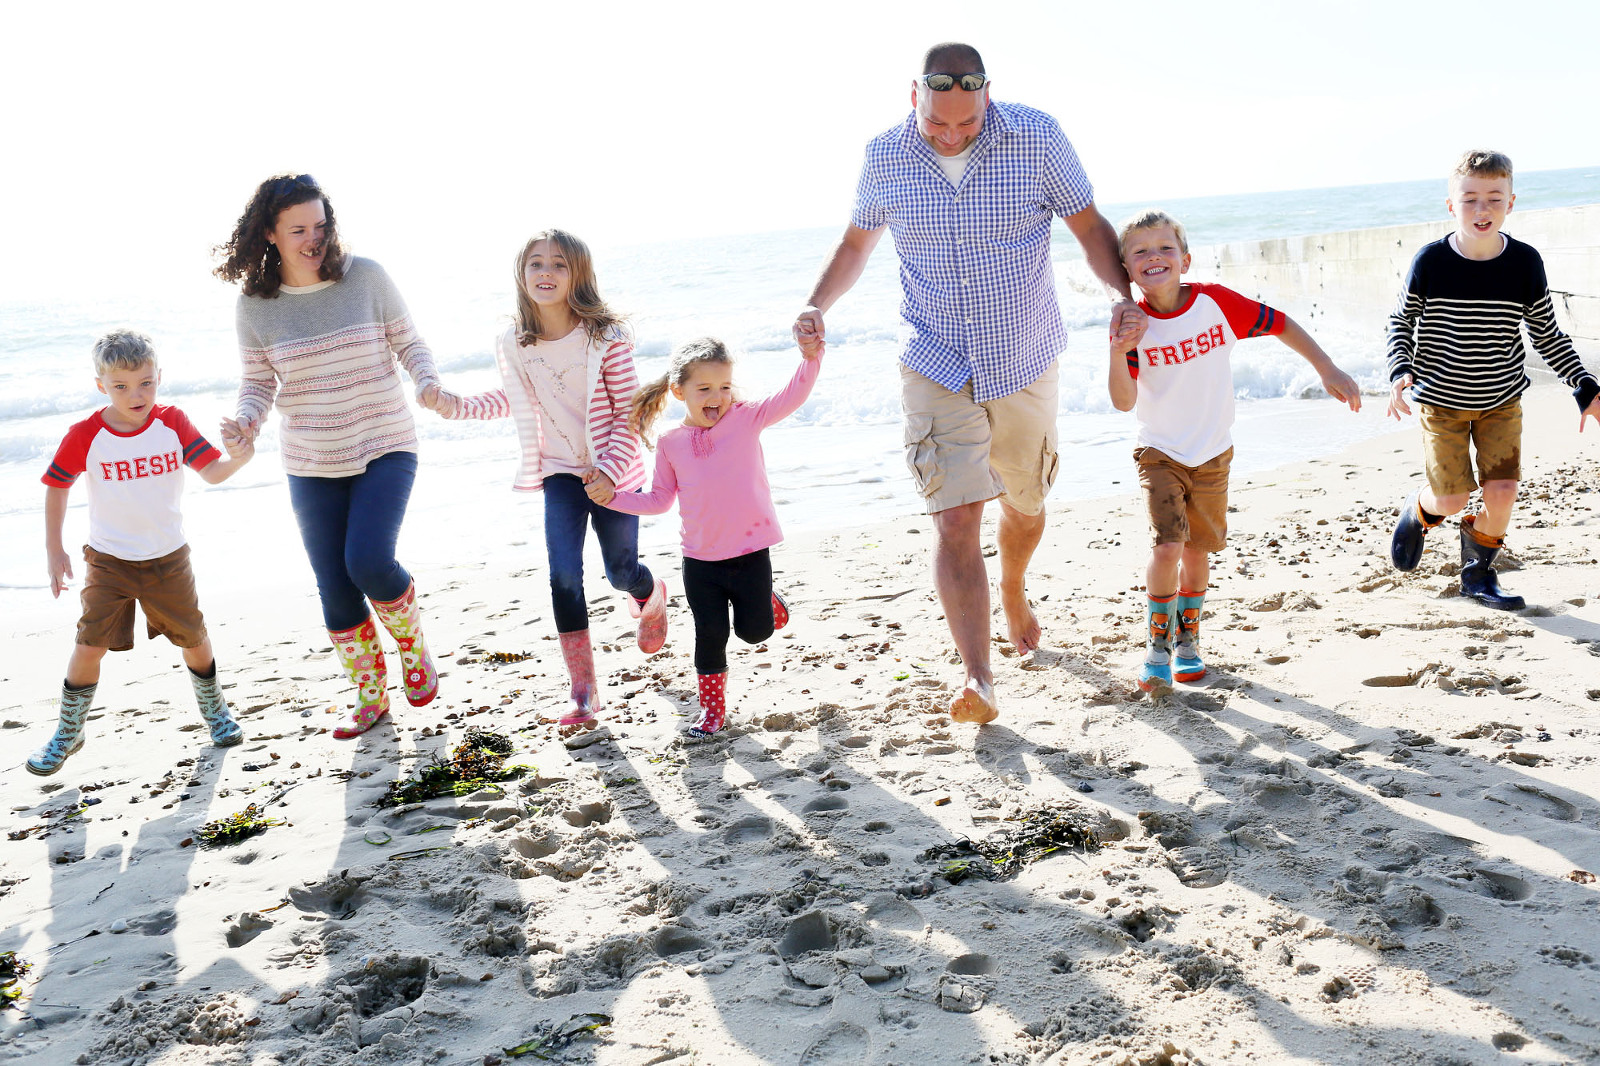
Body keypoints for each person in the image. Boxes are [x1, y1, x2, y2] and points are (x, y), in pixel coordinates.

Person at [792, 41, 1147, 725]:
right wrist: (816, 305)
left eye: (967, 122)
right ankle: (979, 679)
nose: (952, 134)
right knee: (955, 518)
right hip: (933, 357)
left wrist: (1122, 295)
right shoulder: (883, 155)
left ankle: (1013, 583)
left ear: (988, 97)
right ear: (913, 99)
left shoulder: (1037, 136)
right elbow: (856, 245)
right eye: (937, 123)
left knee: (1026, 501)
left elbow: (1089, 226)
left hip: (1023, 356)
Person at [214, 173, 448, 738]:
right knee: (335, 584)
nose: (313, 239)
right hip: (311, 461)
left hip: (383, 442)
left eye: (320, 225)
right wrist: (246, 421)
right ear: (269, 234)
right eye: (298, 230)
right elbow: (258, 382)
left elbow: (410, 343)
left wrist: (427, 382)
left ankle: (412, 646)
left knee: (368, 561)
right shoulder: (255, 306)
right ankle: (371, 696)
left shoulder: (365, 277)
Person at [1107, 211, 1362, 691]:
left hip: (1213, 453)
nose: (1154, 257)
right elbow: (1123, 402)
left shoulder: (1214, 304)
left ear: (1185, 258)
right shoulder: (1134, 325)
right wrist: (1117, 347)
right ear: (1126, 269)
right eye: (1140, 251)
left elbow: (1281, 323)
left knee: (1198, 551)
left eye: (1164, 248)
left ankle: (1188, 641)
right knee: (1166, 547)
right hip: (1159, 451)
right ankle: (1157, 647)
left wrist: (1325, 368)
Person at [433, 230, 667, 736]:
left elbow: (630, 417)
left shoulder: (606, 338)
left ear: (578, 274)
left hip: (614, 472)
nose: (546, 272)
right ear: (521, 274)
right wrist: (453, 405)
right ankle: (583, 689)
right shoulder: (516, 343)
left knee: (620, 571)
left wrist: (607, 473)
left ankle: (651, 595)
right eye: (535, 263)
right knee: (563, 574)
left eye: (558, 264)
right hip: (559, 472)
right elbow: (513, 399)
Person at [30, 330, 252, 775]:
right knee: (89, 644)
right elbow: (56, 485)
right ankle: (69, 731)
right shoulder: (86, 434)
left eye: (146, 383)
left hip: (168, 558)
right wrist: (54, 550)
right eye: (121, 386)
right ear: (101, 386)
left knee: (194, 638)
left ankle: (216, 713)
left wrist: (239, 457)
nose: (136, 395)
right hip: (108, 561)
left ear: (159, 377)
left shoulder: (173, 422)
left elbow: (212, 471)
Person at [1386, 149, 1600, 610]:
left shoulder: (1524, 263)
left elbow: (1545, 331)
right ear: (1450, 205)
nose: (1482, 210)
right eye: (1469, 199)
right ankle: (1418, 509)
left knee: (1502, 491)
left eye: (1493, 198)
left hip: (1501, 399)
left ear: (1511, 202)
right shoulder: (1431, 262)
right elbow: (1401, 322)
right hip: (1440, 401)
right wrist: (1400, 370)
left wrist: (1583, 385)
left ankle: (1478, 574)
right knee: (1452, 499)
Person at [591, 338, 816, 739]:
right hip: (699, 562)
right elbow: (660, 500)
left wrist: (811, 358)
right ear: (679, 392)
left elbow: (792, 395)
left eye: (725, 387)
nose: (718, 397)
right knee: (710, 635)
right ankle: (711, 713)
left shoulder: (747, 418)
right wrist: (614, 498)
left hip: (750, 555)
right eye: (705, 389)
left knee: (755, 633)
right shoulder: (671, 442)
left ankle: (766, 600)